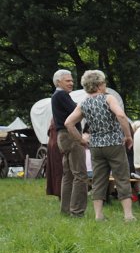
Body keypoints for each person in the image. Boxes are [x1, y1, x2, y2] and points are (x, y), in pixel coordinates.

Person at [64, 70, 135, 222]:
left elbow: (68, 123)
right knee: (121, 177)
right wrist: (128, 136)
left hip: (95, 146)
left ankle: (98, 215)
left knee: (98, 180)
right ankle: (128, 215)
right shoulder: (108, 98)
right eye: (104, 83)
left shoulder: (83, 103)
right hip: (114, 143)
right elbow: (121, 115)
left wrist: (81, 140)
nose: (105, 85)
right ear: (99, 85)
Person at [51, 69, 88, 217]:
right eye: (68, 80)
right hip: (70, 136)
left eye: (72, 80)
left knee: (69, 175)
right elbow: (77, 111)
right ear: (58, 82)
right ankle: (77, 211)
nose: (71, 83)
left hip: (62, 136)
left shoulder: (57, 96)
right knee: (80, 175)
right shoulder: (61, 95)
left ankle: (65, 210)